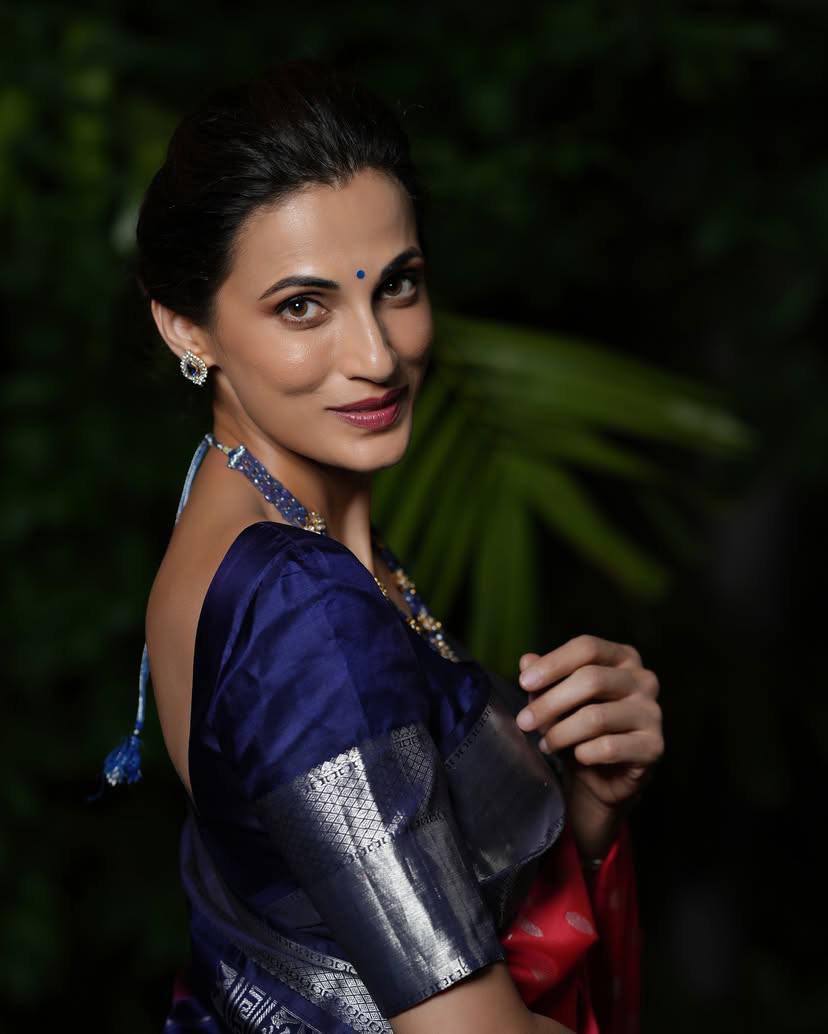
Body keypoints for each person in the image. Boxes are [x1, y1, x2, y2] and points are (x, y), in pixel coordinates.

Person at [102, 57, 663, 1033]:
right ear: (187, 327)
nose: (377, 354)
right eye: (302, 305)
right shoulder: (302, 603)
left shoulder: (257, 517)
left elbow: (328, 892)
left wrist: (588, 803)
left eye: (396, 285)